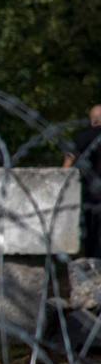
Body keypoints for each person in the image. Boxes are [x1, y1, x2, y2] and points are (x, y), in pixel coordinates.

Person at [64, 105, 101, 257]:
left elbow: (68, 163)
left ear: (92, 120)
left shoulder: (83, 137)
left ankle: (93, 264)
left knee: (91, 232)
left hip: (90, 192)